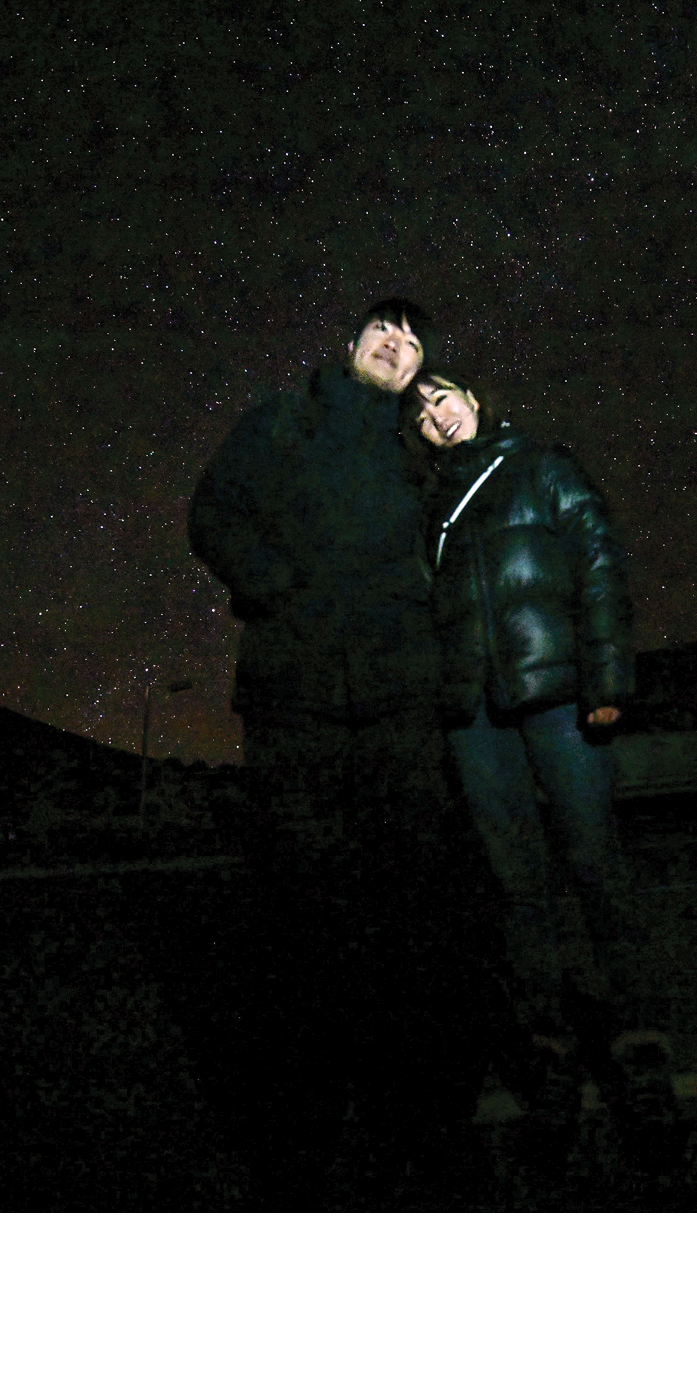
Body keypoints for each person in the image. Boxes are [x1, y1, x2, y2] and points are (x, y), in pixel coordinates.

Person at [187, 300, 510, 1206]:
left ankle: (422, 1120)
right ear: (354, 345)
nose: (395, 343)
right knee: (302, 915)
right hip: (296, 702)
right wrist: (274, 587)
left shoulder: (420, 451)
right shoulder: (283, 418)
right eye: (384, 330)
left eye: (413, 343)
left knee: (413, 917)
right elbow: (214, 511)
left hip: (403, 704)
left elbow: (484, 515)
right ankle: (303, 1131)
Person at [405, 364, 685, 1174]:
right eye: (421, 413)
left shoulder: (542, 465)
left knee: (597, 870)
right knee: (516, 889)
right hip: (477, 718)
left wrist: (607, 679)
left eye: (443, 396)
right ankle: (552, 1061)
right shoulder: (434, 511)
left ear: (474, 399)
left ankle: (640, 1059)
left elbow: (598, 561)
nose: (436, 415)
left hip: (559, 695)